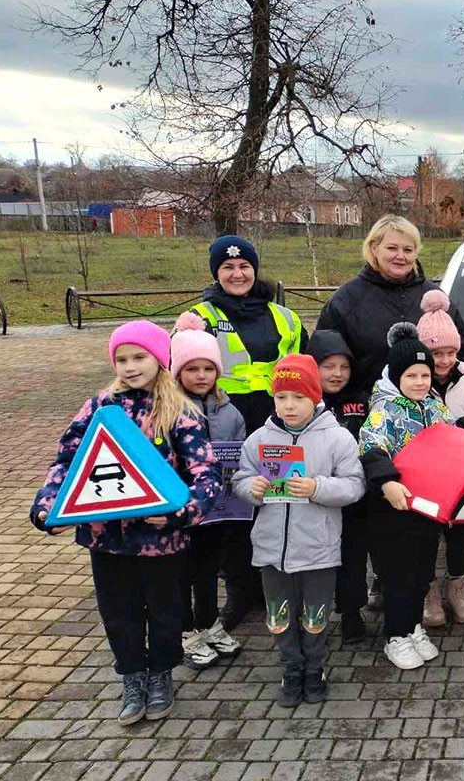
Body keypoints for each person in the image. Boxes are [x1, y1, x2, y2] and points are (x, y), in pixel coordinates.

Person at [30, 321, 222, 726]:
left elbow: (206, 474)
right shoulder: (100, 407)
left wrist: (179, 512)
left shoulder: (181, 411)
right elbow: (67, 460)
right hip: (107, 539)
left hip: (161, 540)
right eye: (121, 359)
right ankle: (132, 677)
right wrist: (50, 507)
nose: (130, 366)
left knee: (166, 611)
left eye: (139, 357)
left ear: (159, 359)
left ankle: (161, 676)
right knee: (118, 612)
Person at [232, 354, 366, 706]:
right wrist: (252, 490)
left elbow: (354, 486)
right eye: (281, 397)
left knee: (314, 614)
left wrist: (317, 487)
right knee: (278, 615)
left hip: (318, 549)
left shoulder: (337, 439)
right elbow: (241, 479)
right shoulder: (259, 438)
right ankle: (291, 666)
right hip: (271, 549)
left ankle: (313, 667)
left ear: (315, 397)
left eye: (298, 397)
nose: (289, 406)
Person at [190, 234, 308, 630]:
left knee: (274, 500)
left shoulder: (283, 316)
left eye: (244, 266)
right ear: (216, 273)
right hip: (223, 422)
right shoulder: (200, 317)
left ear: (254, 269)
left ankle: (270, 584)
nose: (237, 273)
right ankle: (240, 592)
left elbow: (303, 366)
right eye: (227, 267)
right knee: (232, 510)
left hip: (277, 421)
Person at [358, 323, 464, 668]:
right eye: (411, 375)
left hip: (427, 509)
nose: (419, 382)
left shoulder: (433, 405)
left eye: (424, 375)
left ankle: (413, 626)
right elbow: (371, 447)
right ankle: (395, 635)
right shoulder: (384, 409)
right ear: (397, 376)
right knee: (398, 575)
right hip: (394, 510)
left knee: (421, 573)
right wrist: (387, 482)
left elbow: (451, 433)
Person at [316, 215, 464, 398]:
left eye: (408, 249)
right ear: (374, 248)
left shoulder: (437, 300)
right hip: (365, 412)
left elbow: (460, 357)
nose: (400, 256)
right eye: (392, 248)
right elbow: (324, 361)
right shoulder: (346, 300)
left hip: (430, 412)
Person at [171, 312, 247, 670]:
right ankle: (186, 631)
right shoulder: (169, 411)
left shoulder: (229, 410)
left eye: (207, 368)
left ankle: (208, 621)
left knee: (207, 569)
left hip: (218, 509)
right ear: (177, 372)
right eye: (191, 369)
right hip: (184, 509)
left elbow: (240, 449)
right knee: (182, 572)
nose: (201, 376)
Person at [417, 289, 464, 627]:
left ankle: (457, 587)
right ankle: (428, 592)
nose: (443, 360)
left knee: (458, 534)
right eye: (436, 353)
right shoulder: (413, 384)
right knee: (427, 538)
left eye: (450, 353)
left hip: (459, 475)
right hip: (425, 478)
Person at [309, 328, 371, 644]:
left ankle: (351, 611)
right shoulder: (303, 402)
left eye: (344, 366)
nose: (337, 374)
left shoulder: (360, 401)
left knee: (353, 556)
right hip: (312, 496)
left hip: (352, 496)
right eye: (328, 366)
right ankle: (311, 613)